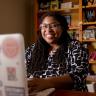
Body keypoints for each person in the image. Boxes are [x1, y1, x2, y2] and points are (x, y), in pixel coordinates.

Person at [25, 12, 89, 94]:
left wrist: (46, 82)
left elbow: (78, 76)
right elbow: (23, 73)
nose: (48, 30)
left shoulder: (75, 47)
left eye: (54, 25)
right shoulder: (32, 49)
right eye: (44, 26)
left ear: (63, 27)